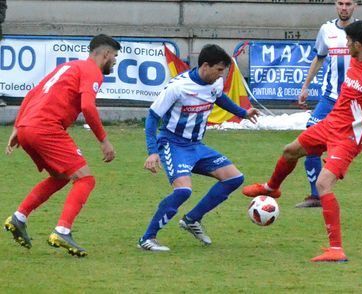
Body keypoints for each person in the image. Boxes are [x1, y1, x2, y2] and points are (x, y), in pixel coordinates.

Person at [243, 20, 362, 262]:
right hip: (330, 124)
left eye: (348, 41)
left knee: (323, 184)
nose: (345, 44)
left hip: (348, 137)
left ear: (358, 44)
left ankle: (336, 249)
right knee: (290, 151)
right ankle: (272, 188)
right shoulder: (358, 60)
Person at [4, 34, 120, 257]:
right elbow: (87, 107)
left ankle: (19, 218)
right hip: (46, 128)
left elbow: (31, 94)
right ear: (105, 54)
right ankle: (62, 230)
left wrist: (18, 127)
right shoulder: (92, 71)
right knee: (86, 179)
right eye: (114, 56)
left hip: (29, 127)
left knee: (61, 177)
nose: (114, 61)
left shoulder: (68, 66)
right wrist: (104, 140)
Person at [137, 44, 259, 251]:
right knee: (183, 191)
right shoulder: (178, 87)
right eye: (219, 70)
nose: (222, 75)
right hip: (173, 144)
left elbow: (219, 97)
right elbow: (152, 118)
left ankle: (192, 219)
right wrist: (152, 152)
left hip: (196, 146)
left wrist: (243, 112)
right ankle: (147, 238)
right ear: (205, 66)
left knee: (234, 178)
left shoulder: (215, 83)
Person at [296, 0, 362, 208]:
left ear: (355, 6)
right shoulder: (326, 29)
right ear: (335, 5)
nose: (344, 8)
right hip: (331, 98)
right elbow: (319, 57)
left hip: (358, 104)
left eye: (348, 4)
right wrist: (305, 86)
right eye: (340, 3)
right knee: (309, 142)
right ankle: (316, 195)